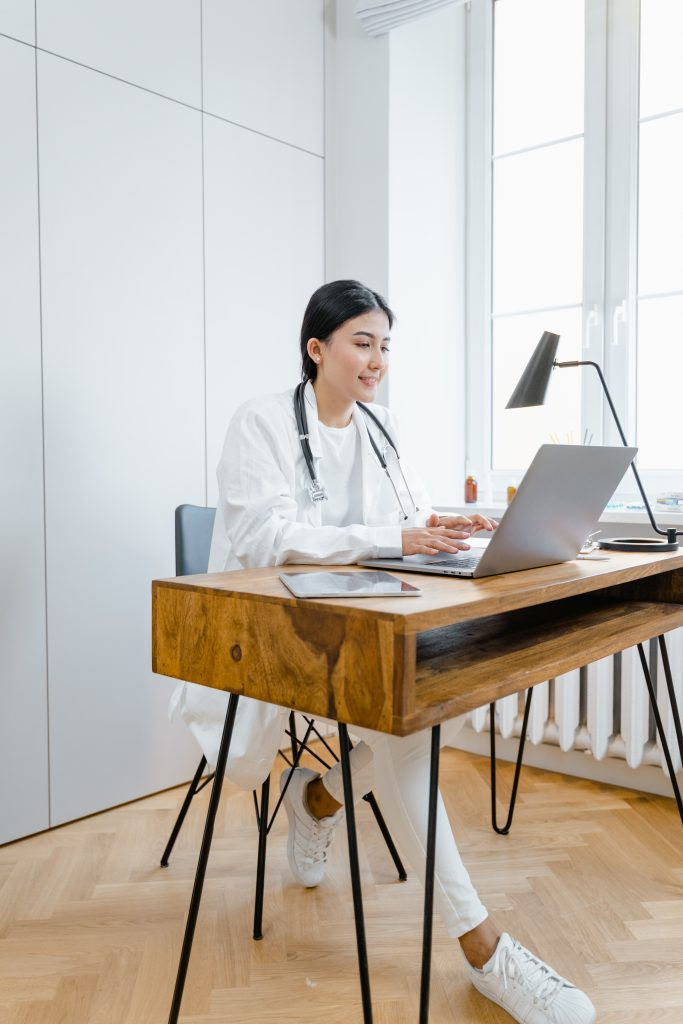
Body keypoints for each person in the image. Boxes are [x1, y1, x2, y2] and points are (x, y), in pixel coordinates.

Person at [171, 280, 596, 1024]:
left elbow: (406, 519)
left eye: (385, 346)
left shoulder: (381, 426)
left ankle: (320, 795)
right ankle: (483, 948)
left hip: (365, 627)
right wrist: (389, 538)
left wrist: (442, 527)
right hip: (270, 641)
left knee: (446, 695)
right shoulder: (261, 424)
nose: (377, 360)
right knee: (412, 726)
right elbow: (267, 539)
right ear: (316, 349)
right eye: (361, 342)